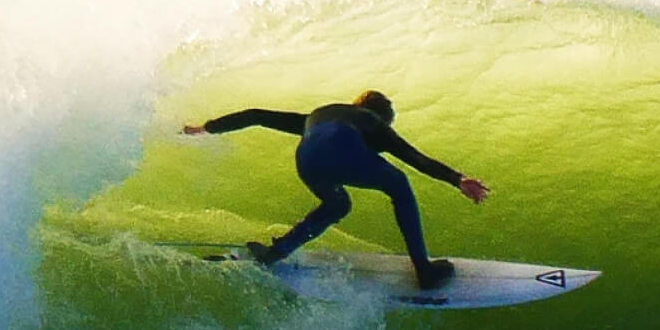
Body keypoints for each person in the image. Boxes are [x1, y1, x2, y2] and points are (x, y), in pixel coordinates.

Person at [182, 90, 490, 289]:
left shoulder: (319, 114)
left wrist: (205, 128)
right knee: (398, 183)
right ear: (381, 117)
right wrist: (458, 179)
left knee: (338, 205)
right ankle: (424, 270)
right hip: (342, 149)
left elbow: (257, 116)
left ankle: (276, 252)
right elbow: (415, 158)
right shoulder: (375, 124)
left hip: (307, 160)